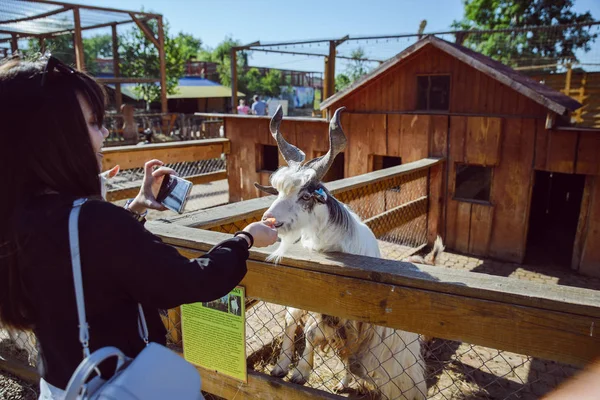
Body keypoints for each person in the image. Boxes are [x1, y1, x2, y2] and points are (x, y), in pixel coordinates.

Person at [0, 56, 278, 398]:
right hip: (119, 387)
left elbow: (83, 259)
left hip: (61, 386)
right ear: (52, 138)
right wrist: (246, 238)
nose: (103, 132)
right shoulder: (96, 222)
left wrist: (136, 205)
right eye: (91, 122)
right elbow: (192, 280)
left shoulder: (16, 216)